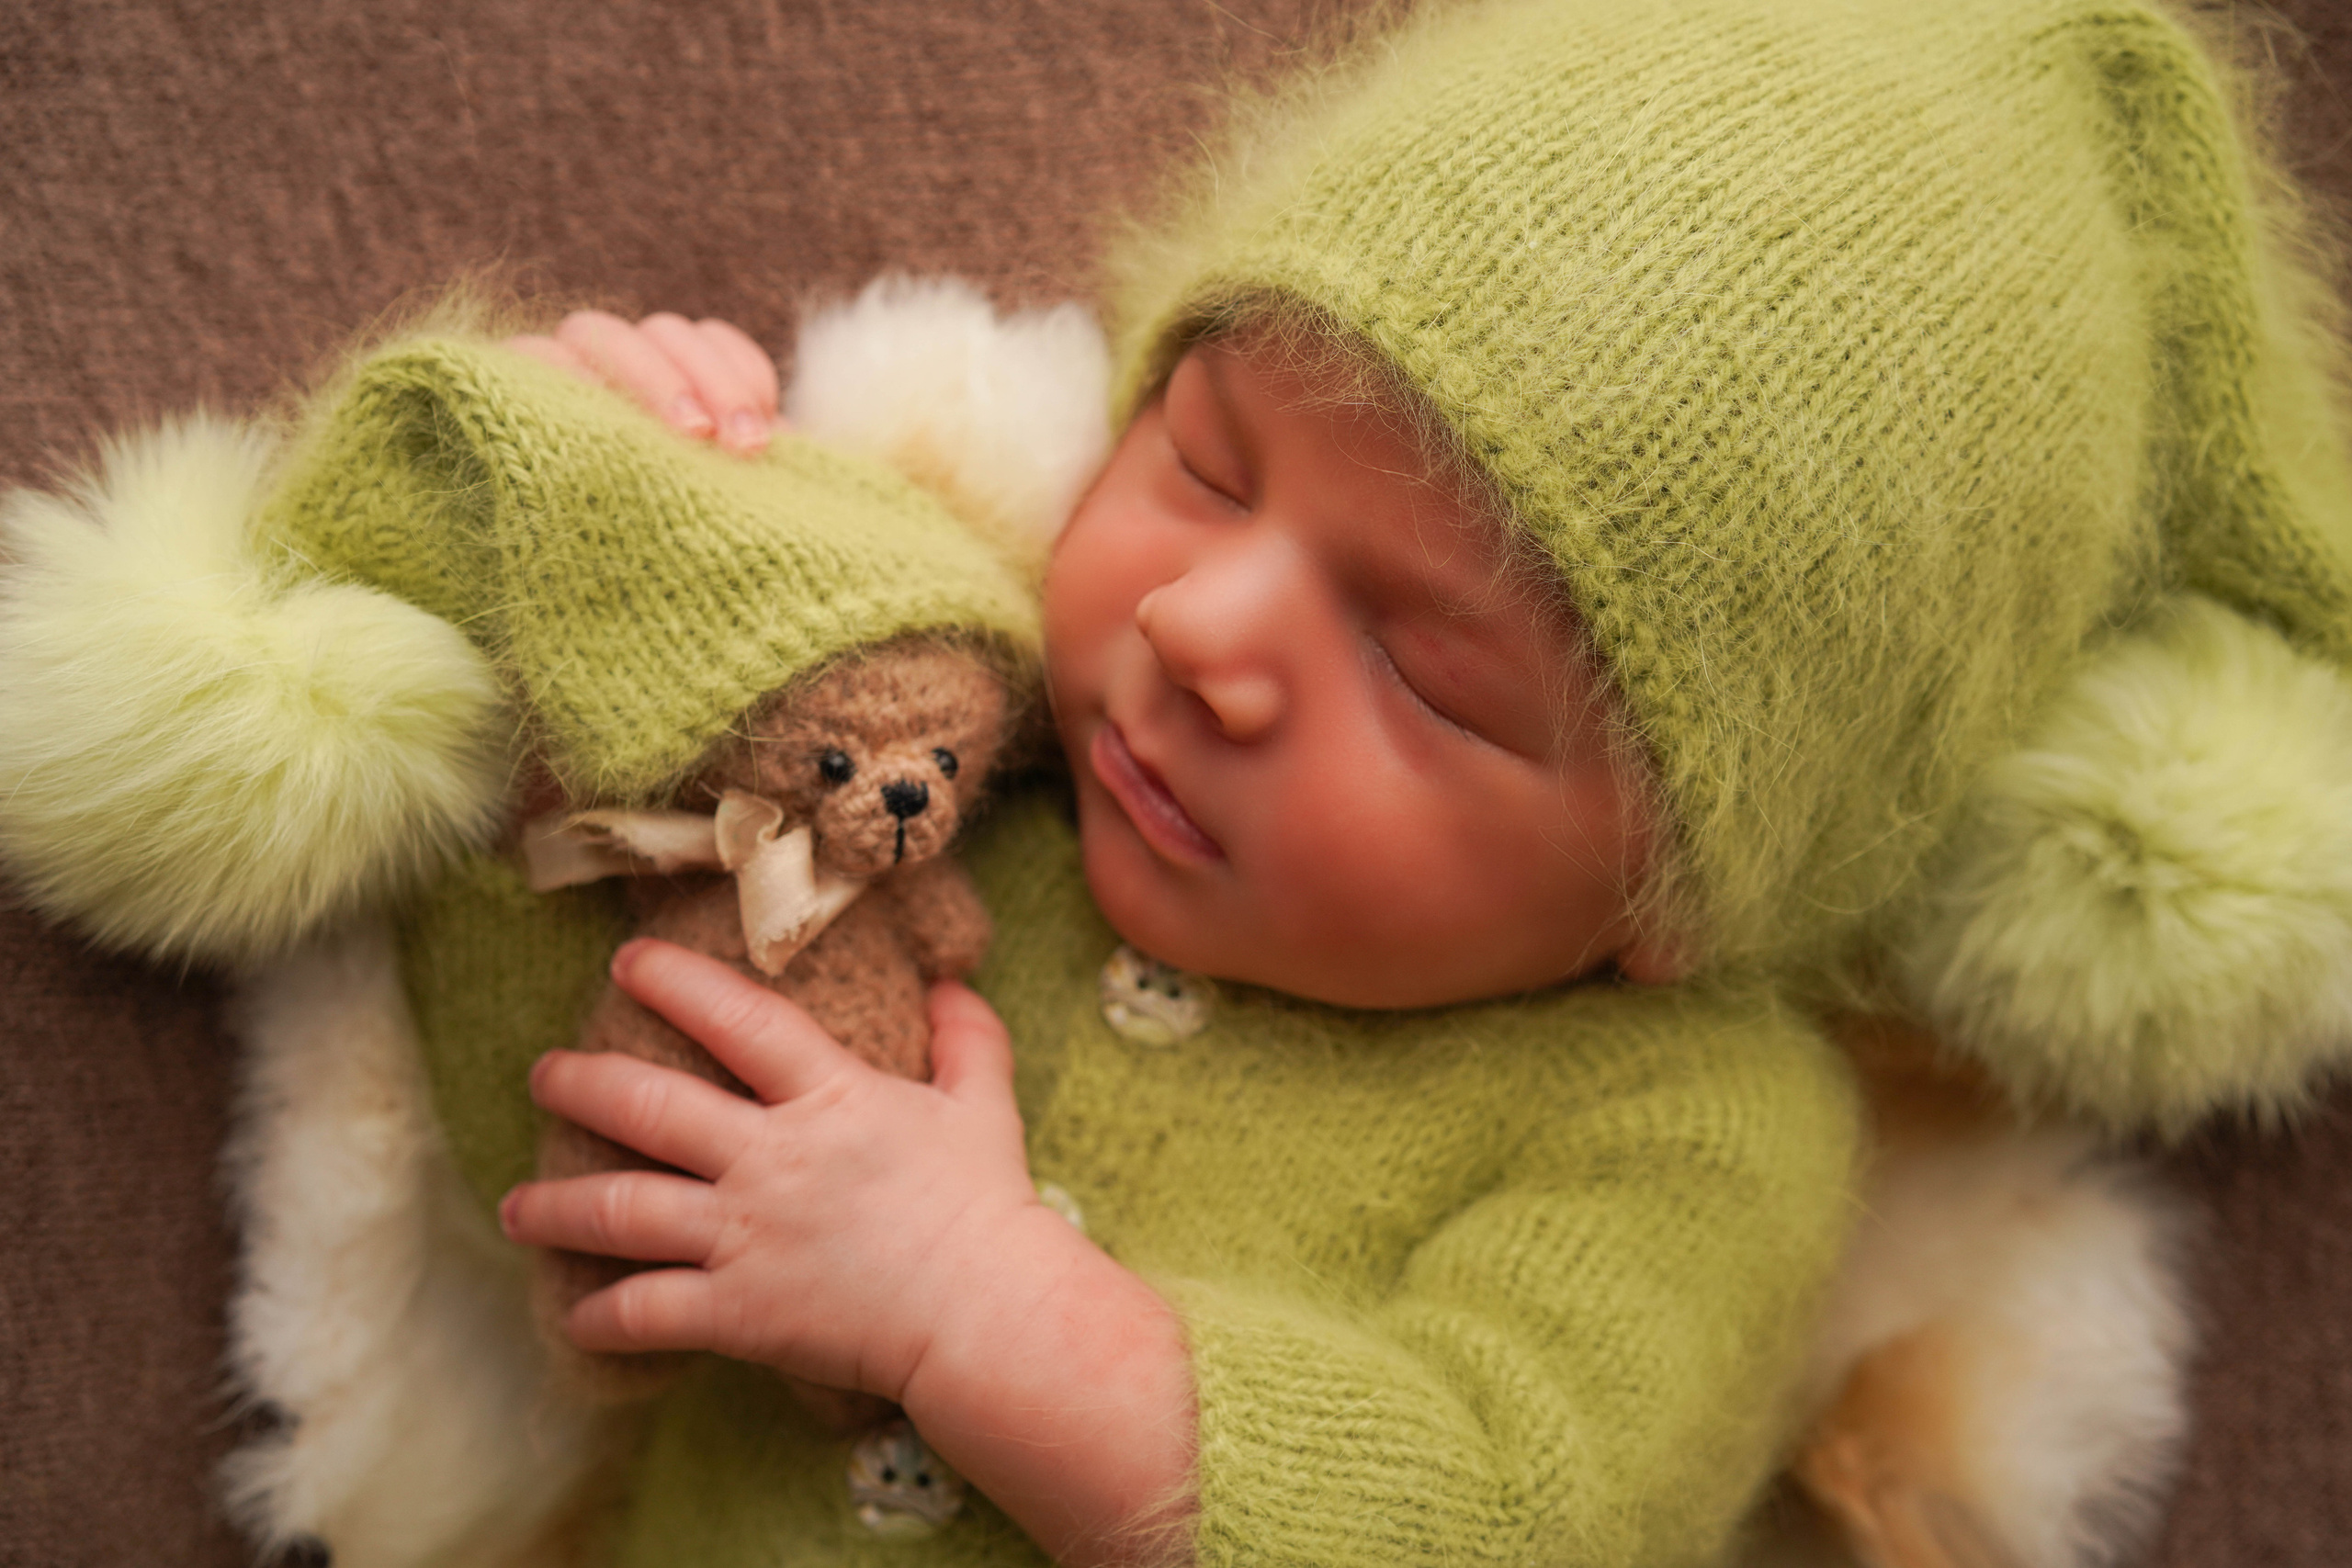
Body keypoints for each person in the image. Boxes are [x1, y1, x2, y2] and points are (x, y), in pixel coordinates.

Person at [420, 0, 2352, 1563]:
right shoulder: (958, 800)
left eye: (1422, 667)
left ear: (1670, 897)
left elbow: (1511, 1504)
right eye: (1201, 454)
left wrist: (976, 1306)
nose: (1194, 626)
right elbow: (552, 1109)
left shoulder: (1678, 1130)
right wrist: (584, 555)